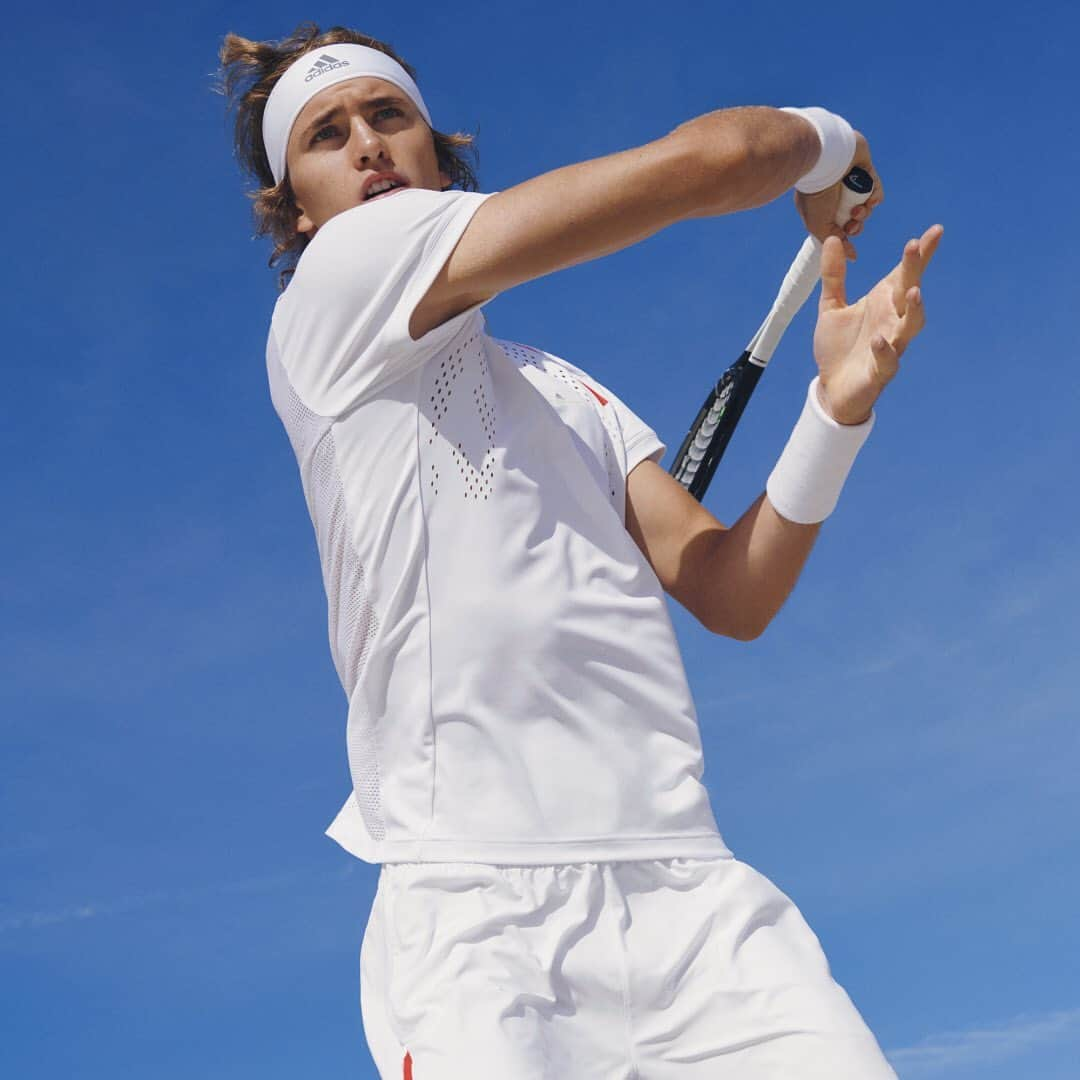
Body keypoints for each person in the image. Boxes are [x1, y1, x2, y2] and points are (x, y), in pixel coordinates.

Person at [218, 21, 941, 1080]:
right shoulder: (339, 287)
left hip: (697, 901)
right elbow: (722, 161)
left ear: (437, 149)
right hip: (478, 916)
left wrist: (832, 415)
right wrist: (832, 145)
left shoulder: (564, 386)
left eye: (389, 114)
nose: (367, 144)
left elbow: (729, 591)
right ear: (299, 207)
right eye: (327, 135)